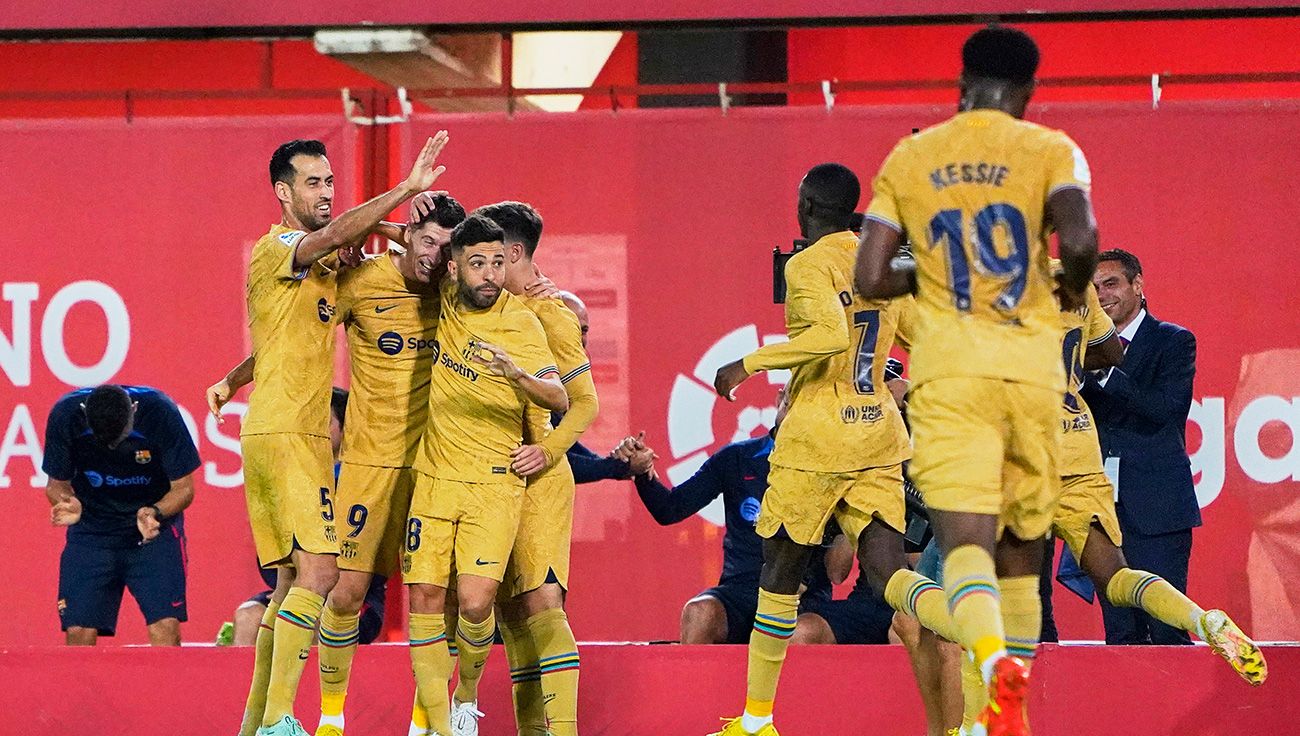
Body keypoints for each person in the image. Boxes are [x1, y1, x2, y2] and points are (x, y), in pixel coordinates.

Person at [855, 25, 1099, 736]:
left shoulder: (912, 155)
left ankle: (994, 662)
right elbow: (1080, 241)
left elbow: (871, 275)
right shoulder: (1050, 148)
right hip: (1028, 370)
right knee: (1023, 549)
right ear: (1028, 91)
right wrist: (1062, 289)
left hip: (950, 372)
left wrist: (927, 266)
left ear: (959, 83)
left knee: (965, 547)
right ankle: (1007, 714)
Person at [207, 131, 451, 736]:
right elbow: (331, 238)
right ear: (282, 191)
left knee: (293, 582)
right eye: (313, 183)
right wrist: (403, 194)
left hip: (305, 436)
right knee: (323, 575)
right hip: (286, 433)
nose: (324, 192)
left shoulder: (319, 271)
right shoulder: (277, 250)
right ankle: (284, 720)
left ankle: (257, 721)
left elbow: (280, 338)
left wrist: (231, 380)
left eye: (330, 182)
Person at [710, 163, 955, 736]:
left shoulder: (807, 263)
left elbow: (827, 337)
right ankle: (978, 637)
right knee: (889, 574)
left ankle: (756, 721)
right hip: (876, 432)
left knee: (780, 568)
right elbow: (928, 339)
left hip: (818, 441)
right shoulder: (885, 264)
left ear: (806, 207)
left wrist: (744, 364)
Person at [403, 214, 568, 736]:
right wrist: (407, 206)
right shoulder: (448, 297)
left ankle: (465, 695)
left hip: (494, 486)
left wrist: (517, 375)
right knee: (426, 599)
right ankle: (439, 726)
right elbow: (417, 243)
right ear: (455, 268)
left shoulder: (521, 322)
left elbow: (560, 396)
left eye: (498, 263)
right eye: (478, 263)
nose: (490, 275)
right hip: (434, 478)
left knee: (475, 606)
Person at [474, 202, 599, 736]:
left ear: (515, 253)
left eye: (493, 257)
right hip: (492, 477)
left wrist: (546, 452)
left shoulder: (553, 312)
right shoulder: (492, 310)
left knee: (544, 604)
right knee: (509, 615)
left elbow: (585, 403)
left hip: (541, 476)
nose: (483, 268)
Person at [1081, 248, 1205, 646]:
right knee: (1120, 634)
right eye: (1094, 288)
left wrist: (1104, 373)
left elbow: (1166, 411)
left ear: (1138, 285)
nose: (1101, 296)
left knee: (1167, 628)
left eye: (1111, 284)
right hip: (1102, 511)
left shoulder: (1173, 341)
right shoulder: (1076, 351)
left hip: (1157, 512)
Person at [43, 384, 200, 646]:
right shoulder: (65, 415)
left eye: (119, 437)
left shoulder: (161, 412)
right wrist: (70, 504)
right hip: (92, 532)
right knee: (79, 631)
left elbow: (184, 489)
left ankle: (166, 688)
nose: (112, 446)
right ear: (84, 413)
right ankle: (79, 688)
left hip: (151, 533)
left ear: (134, 411)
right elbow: (55, 484)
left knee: (165, 627)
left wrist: (156, 512)